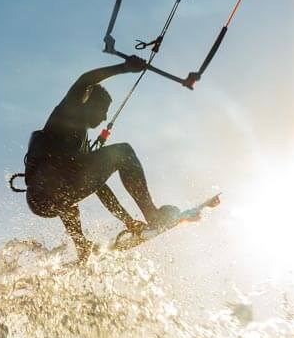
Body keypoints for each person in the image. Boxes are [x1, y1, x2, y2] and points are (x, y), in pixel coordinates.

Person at [21, 56, 179, 260]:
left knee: (69, 205)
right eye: (103, 110)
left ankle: (82, 247)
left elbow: (99, 187)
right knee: (124, 152)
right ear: (89, 103)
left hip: (44, 199)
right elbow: (86, 80)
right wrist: (124, 67)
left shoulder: (82, 145)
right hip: (47, 189)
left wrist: (127, 220)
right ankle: (152, 214)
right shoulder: (68, 112)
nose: (105, 117)